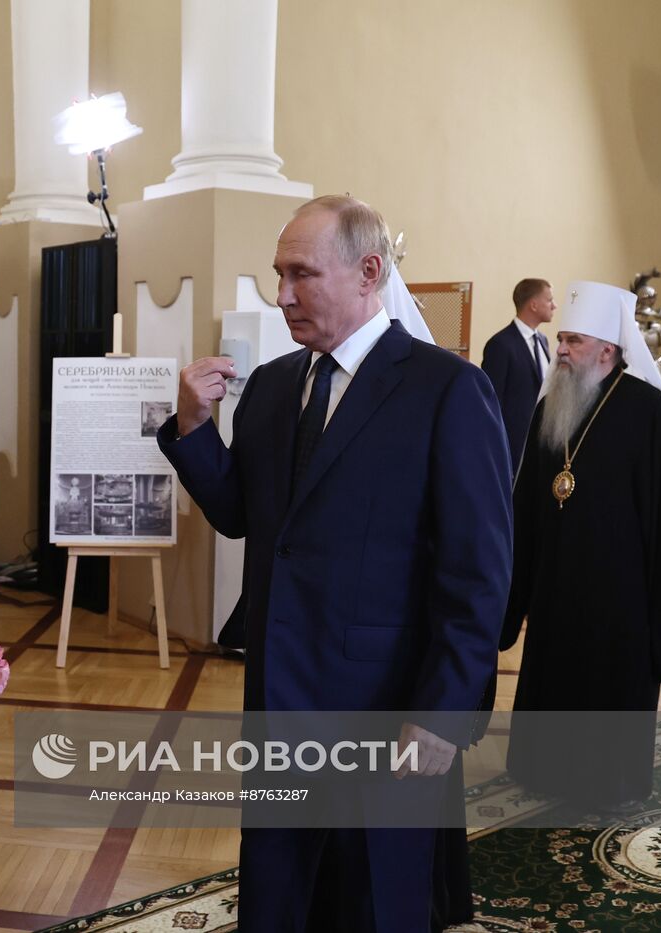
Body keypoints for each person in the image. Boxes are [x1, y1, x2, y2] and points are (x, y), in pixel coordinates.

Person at [158, 195, 512, 932]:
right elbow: (242, 516)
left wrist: (442, 715)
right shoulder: (279, 386)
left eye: (301, 275)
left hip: (383, 710)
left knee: (375, 896)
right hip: (280, 698)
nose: (281, 294)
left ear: (369, 272)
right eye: (278, 274)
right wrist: (193, 429)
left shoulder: (446, 390)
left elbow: (477, 572)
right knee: (282, 892)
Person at [501, 281, 661, 809]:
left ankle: (607, 782)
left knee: (608, 689)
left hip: (622, 601)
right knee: (553, 677)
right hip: (557, 590)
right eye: (561, 338)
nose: (560, 349)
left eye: (573, 341)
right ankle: (543, 769)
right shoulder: (551, 408)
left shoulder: (648, 413)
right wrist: (512, 593)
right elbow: (527, 506)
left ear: (608, 349)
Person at [481, 278, 556, 474]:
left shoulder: (543, 341)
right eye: (549, 300)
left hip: (540, 441)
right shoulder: (501, 344)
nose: (554, 306)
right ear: (533, 304)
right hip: (513, 446)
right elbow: (492, 402)